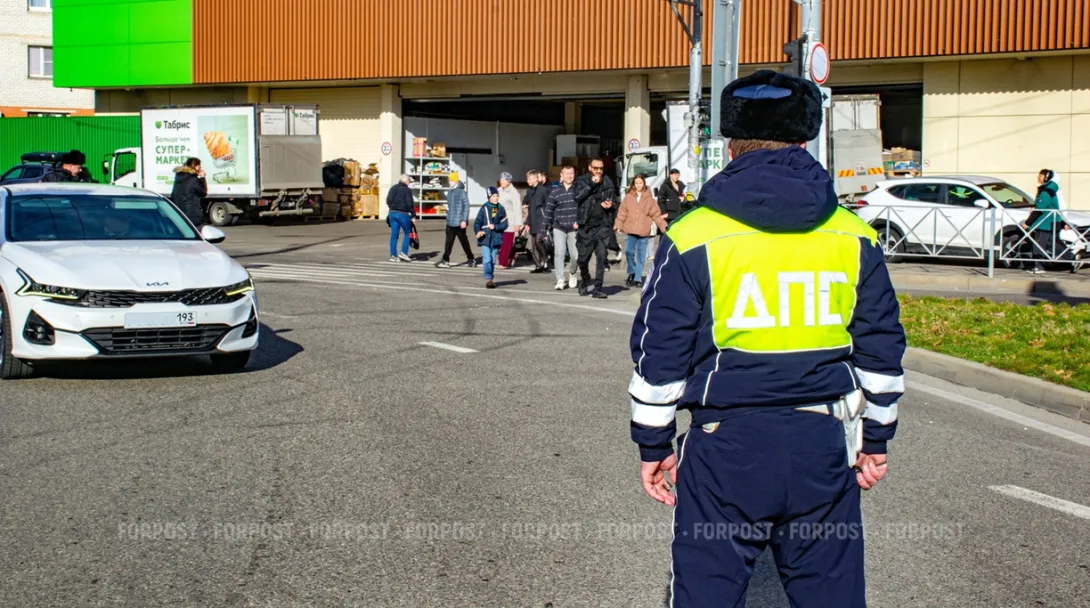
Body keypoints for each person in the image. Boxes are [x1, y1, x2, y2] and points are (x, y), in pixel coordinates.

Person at [629, 69, 906, 607]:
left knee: (706, 593)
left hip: (723, 444)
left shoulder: (692, 235)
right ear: (805, 140)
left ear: (731, 145)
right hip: (823, 443)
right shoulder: (854, 235)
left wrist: (654, 445)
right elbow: (881, 349)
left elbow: (658, 353)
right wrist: (876, 439)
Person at [614, 174, 666, 288]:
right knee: (629, 252)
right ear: (633, 184)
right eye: (636, 183)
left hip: (644, 231)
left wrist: (664, 228)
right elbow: (622, 212)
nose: (638, 185)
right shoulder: (628, 197)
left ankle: (637, 278)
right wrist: (618, 225)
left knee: (641, 256)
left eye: (640, 183)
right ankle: (631, 272)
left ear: (644, 184)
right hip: (631, 230)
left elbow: (657, 215)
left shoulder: (649, 199)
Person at [573, 158, 615, 298]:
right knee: (583, 259)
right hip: (586, 226)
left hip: (602, 225)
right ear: (590, 167)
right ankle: (585, 279)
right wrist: (592, 184)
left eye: (601, 168)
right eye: (596, 168)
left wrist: (611, 205)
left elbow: (615, 201)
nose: (599, 171)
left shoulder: (608, 181)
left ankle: (598, 288)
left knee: (602, 257)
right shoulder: (582, 181)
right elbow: (577, 197)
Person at [543, 166, 581, 290]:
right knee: (559, 253)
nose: (569, 176)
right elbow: (549, 209)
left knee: (575, 255)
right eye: (567, 173)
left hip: (574, 227)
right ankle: (560, 279)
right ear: (562, 175)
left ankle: (573, 272)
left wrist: (580, 221)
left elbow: (584, 207)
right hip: (558, 226)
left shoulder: (579, 189)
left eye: (571, 173)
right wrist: (546, 226)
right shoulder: (555, 191)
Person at [1022, 168, 1061, 275]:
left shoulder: (1046, 191)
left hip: (1045, 223)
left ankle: (1038, 267)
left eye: (1040, 175)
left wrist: (1028, 223)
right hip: (1051, 221)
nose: (1038, 177)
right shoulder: (1050, 189)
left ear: (1046, 177)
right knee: (1052, 244)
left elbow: (1039, 209)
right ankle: (1072, 259)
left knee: (1038, 244)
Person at [436, 172, 477, 268]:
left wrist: (464, 220)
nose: (449, 182)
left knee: (464, 242)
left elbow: (466, 206)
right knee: (448, 242)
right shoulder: (450, 192)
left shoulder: (462, 192)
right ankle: (445, 260)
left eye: (451, 180)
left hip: (459, 222)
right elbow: (451, 207)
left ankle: (471, 258)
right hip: (450, 222)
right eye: (449, 180)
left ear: (455, 181)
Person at [473, 186, 509, 289]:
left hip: (496, 238)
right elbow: (477, 222)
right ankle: (488, 277)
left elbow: (505, 224)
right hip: (485, 238)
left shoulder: (501, 208)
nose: (496, 198)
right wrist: (478, 231)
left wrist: (496, 227)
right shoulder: (484, 208)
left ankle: (491, 278)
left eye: (497, 196)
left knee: (493, 259)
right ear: (489, 197)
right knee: (486, 258)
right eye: (494, 196)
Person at [523, 170, 552, 273]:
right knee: (534, 244)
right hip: (533, 220)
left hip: (542, 219)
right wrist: (527, 222)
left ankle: (545, 259)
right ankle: (538, 265)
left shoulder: (543, 190)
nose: (528, 181)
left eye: (529, 179)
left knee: (539, 240)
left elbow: (549, 205)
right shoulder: (530, 192)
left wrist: (549, 220)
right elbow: (530, 208)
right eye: (527, 179)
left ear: (536, 178)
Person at [386, 174, 417, 263]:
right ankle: (403, 252)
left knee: (394, 235)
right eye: (409, 180)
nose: (409, 182)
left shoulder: (393, 188)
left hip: (392, 213)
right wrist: (413, 215)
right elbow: (410, 203)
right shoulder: (407, 190)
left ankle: (393, 255)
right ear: (406, 180)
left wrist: (392, 207)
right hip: (403, 213)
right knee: (408, 233)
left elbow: (388, 200)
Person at [169, 157, 208, 227]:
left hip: (179, 213)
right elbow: (203, 192)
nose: (200, 167)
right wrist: (202, 177)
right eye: (199, 166)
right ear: (194, 166)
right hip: (192, 215)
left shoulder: (178, 177)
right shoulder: (193, 179)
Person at [497, 172, 523, 269]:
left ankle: (503, 263)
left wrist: (518, 224)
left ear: (508, 181)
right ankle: (510, 257)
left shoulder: (514, 193)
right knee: (500, 243)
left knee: (506, 244)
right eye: (501, 179)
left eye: (503, 180)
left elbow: (517, 209)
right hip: (499, 221)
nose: (501, 181)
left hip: (510, 221)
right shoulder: (498, 190)